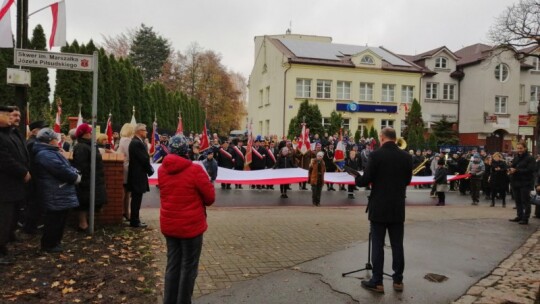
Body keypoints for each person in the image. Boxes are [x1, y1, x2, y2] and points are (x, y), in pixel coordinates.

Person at [352, 127, 412, 294]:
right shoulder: (406, 156)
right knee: (397, 244)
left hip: (379, 207)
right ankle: (398, 280)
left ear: (382, 138)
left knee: (378, 244)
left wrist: (356, 177)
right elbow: (407, 180)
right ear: (395, 138)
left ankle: (377, 281)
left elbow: (366, 180)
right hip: (397, 207)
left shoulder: (376, 155)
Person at [158, 135, 215, 304]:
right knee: (188, 268)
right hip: (191, 227)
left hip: (169, 225)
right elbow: (210, 198)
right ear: (186, 151)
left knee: (173, 265)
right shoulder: (195, 170)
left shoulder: (162, 170)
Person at [33, 128, 80, 252]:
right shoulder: (45, 154)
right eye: (55, 139)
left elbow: (66, 166)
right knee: (54, 220)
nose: (57, 141)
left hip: (59, 191)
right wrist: (75, 176)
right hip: (55, 191)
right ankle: (49, 245)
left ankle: (55, 243)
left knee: (60, 219)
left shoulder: (51, 152)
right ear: (50, 141)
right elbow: (61, 170)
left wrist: (73, 172)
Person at [0, 106, 31, 265]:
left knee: (12, 216)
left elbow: (21, 153)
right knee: (3, 219)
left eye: (18, 116)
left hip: (15, 184)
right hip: (5, 185)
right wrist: (22, 172)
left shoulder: (14, 133)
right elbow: (5, 159)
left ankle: (8, 238)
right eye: (10, 115)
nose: (15, 118)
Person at [72, 123, 107, 232]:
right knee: (83, 203)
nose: (92, 133)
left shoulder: (90, 145)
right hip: (87, 180)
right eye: (90, 132)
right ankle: (83, 225)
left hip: (94, 179)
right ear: (84, 134)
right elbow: (81, 165)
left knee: (92, 202)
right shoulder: (81, 147)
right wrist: (85, 179)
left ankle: (88, 224)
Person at [127, 123, 154, 228]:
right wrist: (150, 170)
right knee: (136, 199)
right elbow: (144, 159)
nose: (146, 132)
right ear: (139, 131)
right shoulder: (136, 143)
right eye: (145, 130)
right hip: (137, 174)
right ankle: (135, 221)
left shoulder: (137, 142)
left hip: (137, 173)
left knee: (137, 198)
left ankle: (136, 219)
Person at [508, 142, 535, 225]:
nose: (519, 150)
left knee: (525, 201)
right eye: (518, 148)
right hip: (515, 182)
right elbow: (513, 166)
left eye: (521, 148)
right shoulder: (516, 157)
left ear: (525, 148)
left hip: (525, 182)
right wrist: (510, 169)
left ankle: (525, 218)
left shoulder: (530, 158)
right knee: (518, 201)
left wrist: (517, 170)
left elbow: (530, 170)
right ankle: (519, 216)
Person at [117, 123, 134, 222]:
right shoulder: (127, 140)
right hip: (127, 167)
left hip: (124, 166)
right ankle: (125, 212)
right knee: (126, 191)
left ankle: (125, 212)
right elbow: (130, 154)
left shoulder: (122, 140)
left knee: (126, 191)